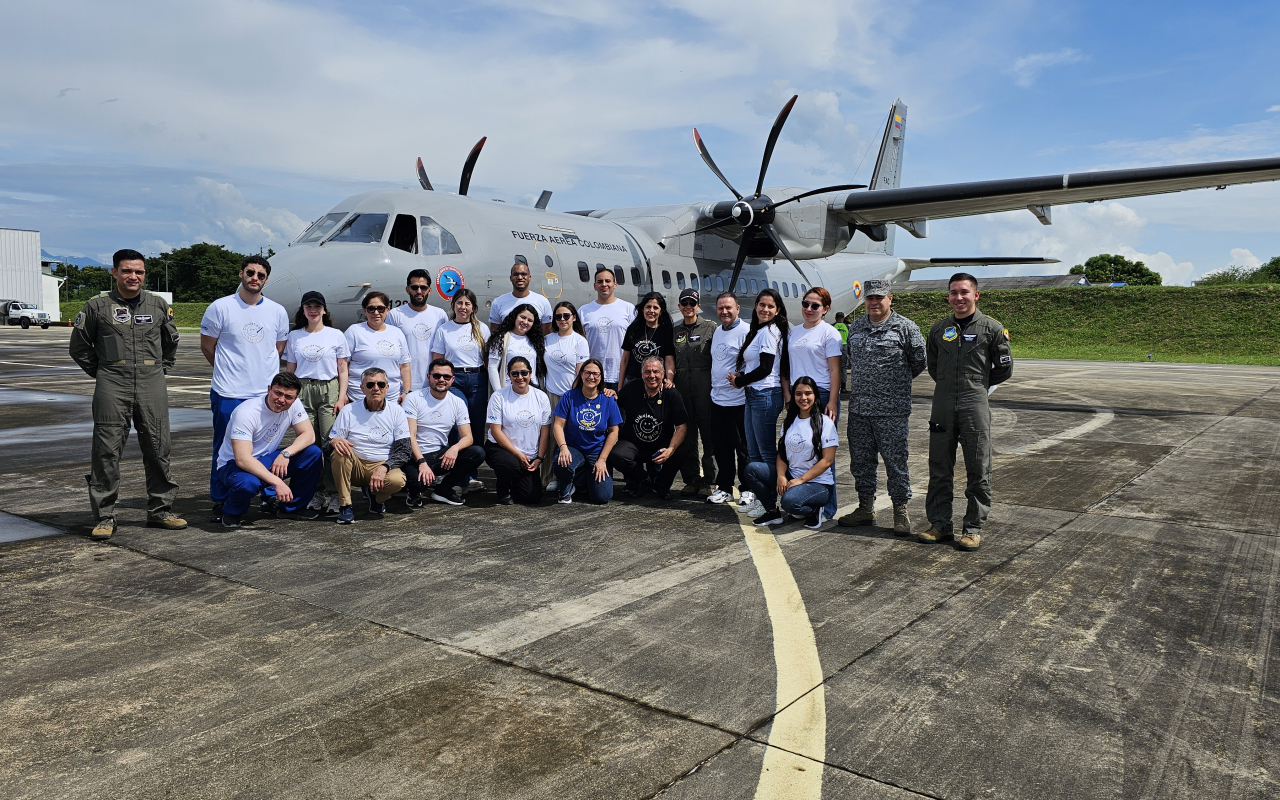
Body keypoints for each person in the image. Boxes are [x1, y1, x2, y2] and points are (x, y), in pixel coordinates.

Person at [69, 248, 186, 539]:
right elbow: (80, 347)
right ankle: (105, 516)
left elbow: (170, 344)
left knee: (159, 448)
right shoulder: (97, 307)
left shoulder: (158, 306)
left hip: (152, 383)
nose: (133, 276)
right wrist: (104, 373)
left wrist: (159, 370)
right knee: (106, 452)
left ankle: (161, 511)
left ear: (144, 274)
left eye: (139, 271)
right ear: (114, 273)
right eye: (126, 271)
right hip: (112, 382)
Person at [921, 273, 1013, 551]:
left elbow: (1004, 368)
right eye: (953, 293)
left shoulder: (992, 329)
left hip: (975, 406)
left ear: (976, 295)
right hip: (942, 405)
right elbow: (934, 367)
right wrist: (950, 387)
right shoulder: (939, 330)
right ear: (948, 296)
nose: (958, 298)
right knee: (939, 468)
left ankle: (972, 528)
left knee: (978, 469)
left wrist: (977, 385)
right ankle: (940, 525)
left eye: (964, 292)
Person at [200, 254, 290, 523]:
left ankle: (267, 494)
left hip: (264, 394)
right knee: (224, 449)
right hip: (230, 392)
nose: (255, 278)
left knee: (266, 446)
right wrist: (228, 371)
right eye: (250, 273)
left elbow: (278, 348)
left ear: (266, 279)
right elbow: (207, 346)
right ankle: (220, 498)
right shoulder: (220, 307)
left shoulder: (277, 311)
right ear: (241, 274)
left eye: (261, 275)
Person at [837, 280, 927, 535]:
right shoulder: (856, 327)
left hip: (892, 410)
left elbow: (918, 362)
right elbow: (852, 359)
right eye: (869, 298)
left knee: (895, 463)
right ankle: (866, 508)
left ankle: (900, 511)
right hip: (860, 410)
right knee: (861, 463)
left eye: (879, 297)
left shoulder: (906, 328)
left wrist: (892, 387)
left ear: (890, 298)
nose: (874, 302)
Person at [215, 372, 323, 527]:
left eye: (288, 397)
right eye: (277, 393)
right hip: (233, 465)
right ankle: (232, 511)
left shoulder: (294, 405)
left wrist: (286, 453)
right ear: (269, 389)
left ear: (295, 398)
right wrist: (278, 482)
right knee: (247, 483)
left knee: (312, 453)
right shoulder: (247, 412)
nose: (281, 400)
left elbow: (309, 435)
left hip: (267, 459)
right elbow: (242, 459)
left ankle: (291, 508)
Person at [283, 291, 350, 515]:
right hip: (303, 389)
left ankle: (333, 492)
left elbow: (342, 368)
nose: (313, 310)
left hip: (328, 389)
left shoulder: (335, 335)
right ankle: (315, 490)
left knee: (329, 441)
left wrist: (341, 397)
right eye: (308, 306)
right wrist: (290, 396)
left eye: (317, 306)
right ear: (303, 310)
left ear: (324, 310)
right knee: (308, 443)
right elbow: (290, 368)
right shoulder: (295, 337)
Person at [781, 286, 844, 521]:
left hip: (822, 395)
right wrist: (788, 396)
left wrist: (834, 402)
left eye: (815, 305)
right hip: (799, 397)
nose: (809, 309)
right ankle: (804, 499)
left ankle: (827, 507)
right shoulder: (794, 332)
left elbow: (835, 369)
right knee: (797, 448)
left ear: (825, 309)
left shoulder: (829, 333)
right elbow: (787, 367)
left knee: (824, 452)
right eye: (806, 304)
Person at [745, 376, 839, 529]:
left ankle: (815, 509)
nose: (803, 398)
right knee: (752, 469)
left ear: (815, 395)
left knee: (789, 502)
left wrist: (800, 480)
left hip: (819, 484)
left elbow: (827, 460)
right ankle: (772, 512)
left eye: (808, 393)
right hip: (793, 478)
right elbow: (782, 454)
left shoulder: (825, 423)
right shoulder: (789, 421)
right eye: (798, 393)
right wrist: (781, 476)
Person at [729, 288, 788, 519]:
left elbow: (765, 368)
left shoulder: (770, 332)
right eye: (762, 305)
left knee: (764, 453)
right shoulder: (758, 331)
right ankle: (764, 501)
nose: (765, 309)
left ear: (778, 310)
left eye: (770, 306)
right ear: (755, 306)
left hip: (765, 395)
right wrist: (740, 379)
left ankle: (772, 504)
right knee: (753, 453)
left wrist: (739, 381)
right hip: (753, 394)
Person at [328, 367, 412, 524]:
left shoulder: (397, 411)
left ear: (387, 387)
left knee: (398, 480)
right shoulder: (348, 410)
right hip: (355, 465)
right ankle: (345, 505)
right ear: (362, 388)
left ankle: (377, 499)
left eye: (381, 384)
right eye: (370, 385)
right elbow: (327, 446)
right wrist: (333, 441)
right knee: (339, 451)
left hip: (381, 464)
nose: (376, 388)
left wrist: (385, 467)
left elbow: (405, 450)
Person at [402, 358, 486, 506]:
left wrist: (454, 448)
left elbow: (468, 437)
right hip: (415, 456)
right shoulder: (414, 398)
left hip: (440, 455)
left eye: (446, 377)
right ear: (429, 377)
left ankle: (443, 489)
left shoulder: (457, 402)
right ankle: (413, 490)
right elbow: (410, 436)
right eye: (436, 376)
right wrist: (421, 462)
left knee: (477, 452)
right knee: (418, 485)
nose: (441, 380)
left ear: (452, 379)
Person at [429, 288, 491, 490]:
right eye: (459, 303)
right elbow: (438, 359)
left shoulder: (482, 329)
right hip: (453, 380)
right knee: (458, 424)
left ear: (473, 308)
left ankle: (470, 474)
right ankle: (453, 476)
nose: (463, 307)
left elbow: (488, 358)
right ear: (453, 305)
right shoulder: (444, 329)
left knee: (476, 426)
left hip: (478, 378)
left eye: (467, 304)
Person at [609, 356, 688, 500]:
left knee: (681, 450)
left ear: (663, 374)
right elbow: (615, 402)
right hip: (634, 444)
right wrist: (611, 394)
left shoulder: (671, 394)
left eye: (656, 372)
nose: (652, 376)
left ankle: (662, 485)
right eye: (647, 372)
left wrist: (670, 450)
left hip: (659, 446)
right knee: (616, 455)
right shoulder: (632, 388)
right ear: (641, 373)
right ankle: (642, 479)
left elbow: (681, 427)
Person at [552, 358, 621, 505]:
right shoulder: (569, 396)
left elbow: (614, 431)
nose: (591, 377)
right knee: (562, 462)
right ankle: (566, 485)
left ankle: (582, 481)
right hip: (573, 447)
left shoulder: (608, 399)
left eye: (596, 374)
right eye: (587, 373)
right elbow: (558, 425)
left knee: (602, 497)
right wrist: (563, 448)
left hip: (596, 451)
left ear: (601, 377)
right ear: (581, 374)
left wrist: (602, 460)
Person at [484, 356, 552, 505]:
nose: (520, 377)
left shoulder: (541, 397)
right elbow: (495, 431)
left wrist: (539, 458)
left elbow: (545, 431)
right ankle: (503, 489)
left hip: (529, 455)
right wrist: (517, 454)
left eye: (524, 373)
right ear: (508, 375)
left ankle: (515, 481)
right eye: (515, 373)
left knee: (531, 497)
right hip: (502, 449)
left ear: (530, 373)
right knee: (509, 464)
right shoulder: (499, 396)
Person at [671, 288, 717, 497]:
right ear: (680, 306)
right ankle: (691, 479)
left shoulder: (710, 328)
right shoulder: (674, 330)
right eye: (684, 303)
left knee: (709, 434)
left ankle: (710, 480)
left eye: (692, 303)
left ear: (698, 305)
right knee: (686, 434)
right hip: (682, 386)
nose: (688, 307)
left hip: (704, 385)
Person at [541, 300, 591, 489]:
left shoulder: (580, 341)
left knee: (569, 438)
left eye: (566, 316)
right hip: (550, 395)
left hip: (571, 396)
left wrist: (571, 397)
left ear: (574, 318)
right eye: (558, 316)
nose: (562, 319)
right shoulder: (548, 339)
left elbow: (580, 373)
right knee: (550, 437)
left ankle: (568, 479)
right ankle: (548, 477)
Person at [706, 292, 749, 505]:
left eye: (728, 308)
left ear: (738, 309)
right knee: (721, 448)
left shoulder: (746, 331)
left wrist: (743, 377)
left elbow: (754, 363)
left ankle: (748, 488)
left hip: (738, 400)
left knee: (742, 448)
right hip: (718, 400)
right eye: (721, 308)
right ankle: (724, 487)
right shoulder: (718, 332)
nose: (724, 312)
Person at [344, 292, 412, 404]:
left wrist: (407, 391)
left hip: (391, 399)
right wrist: (342, 395)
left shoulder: (397, 333)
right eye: (371, 309)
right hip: (358, 398)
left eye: (380, 308)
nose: (376, 312)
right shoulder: (354, 331)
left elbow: (405, 366)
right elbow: (343, 366)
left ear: (387, 310)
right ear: (365, 311)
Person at [388, 269, 448, 392]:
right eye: (414, 287)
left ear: (429, 290)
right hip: (403, 385)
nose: (419, 291)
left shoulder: (440, 315)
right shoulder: (395, 315)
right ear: (407, 289)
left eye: (423, 287)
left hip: (432, 384)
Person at [578, 267, 636, 391]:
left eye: (607, 281)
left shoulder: (628, 309)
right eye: (600, 282)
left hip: (621, 375)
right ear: (594, 286)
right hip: (593, 376)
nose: (604, 284)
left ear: (615, 284)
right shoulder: (584, 311)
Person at [618, 291, 676, 389]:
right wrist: (620, 387)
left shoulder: (666, 332)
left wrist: (669, 380)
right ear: (642, 309)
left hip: (655, 382)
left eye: (656, 308)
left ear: (661, 311)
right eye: (648, 307)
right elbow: (625, 360)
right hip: (633, 381)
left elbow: (669, 360)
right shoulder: (633, 329)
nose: (651, 311)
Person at [486, 304, 546, 390]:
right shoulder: (501, 339)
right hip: (509, 390)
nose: (525, 322)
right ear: (515, 317)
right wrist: (498, 393)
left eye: (530, 320)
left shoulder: (535, 341)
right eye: (522, 317)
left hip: (532, 390)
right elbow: (492, 367)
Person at [489, 258, 553, 334]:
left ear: (529, 277)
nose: (519, 277)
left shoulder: (542, 302)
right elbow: (494, 334)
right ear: (510, 278)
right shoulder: (498, 302)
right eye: (516, 274)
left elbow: (546, 334)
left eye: (523, 274)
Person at [833, 311, 850, 393]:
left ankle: (834, 386)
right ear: (843, 318)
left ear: (835, 318)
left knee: (833, 368)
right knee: (843, 368)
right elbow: (849, 338)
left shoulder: (832, 326)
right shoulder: (847, 326)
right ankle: (843, 387)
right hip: (844, 347)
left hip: (834, 347)